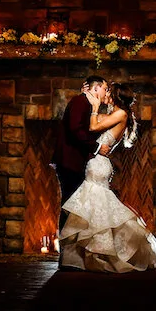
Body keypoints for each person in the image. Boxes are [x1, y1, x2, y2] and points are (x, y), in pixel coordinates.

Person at [58, 82, 156, 273]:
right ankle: (87, 255)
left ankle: (104, 253)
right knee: (94, 209)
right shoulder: (113, 114)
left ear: (115, 96)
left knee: (98, 206)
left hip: (99, 165)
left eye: (108, 91)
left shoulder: (121, 114)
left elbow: (92, 126)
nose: (105, 94)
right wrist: (87, 97)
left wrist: (92, 106)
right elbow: (86, 124)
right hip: (96, 162)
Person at [51, 75, 111, 234]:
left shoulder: (87, 103)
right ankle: (66, 247)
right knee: (70, 204)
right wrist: (97, 147)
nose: (106, 92)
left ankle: (71, 247)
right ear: (96, 88)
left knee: (73, 205)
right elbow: (76, 130)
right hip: (69, 161)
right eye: (105, 88)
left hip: (74, 161)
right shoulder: (80, 101)